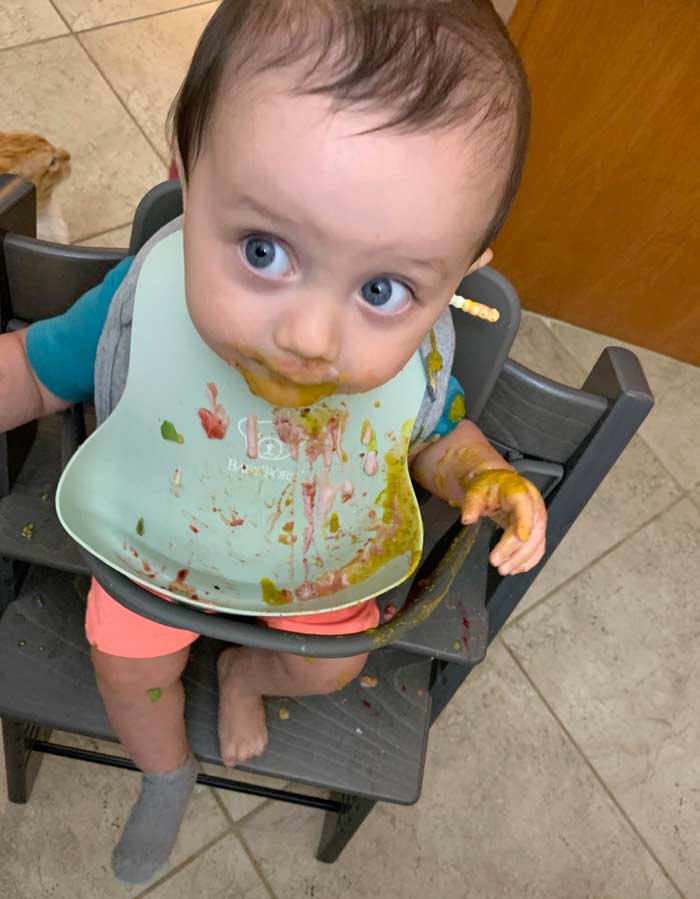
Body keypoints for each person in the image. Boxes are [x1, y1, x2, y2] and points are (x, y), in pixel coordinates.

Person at [0, 0, 546, 884]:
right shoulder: (143, 304)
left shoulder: (414, 368)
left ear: (461, 274)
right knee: (126, 670)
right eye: (262, 249)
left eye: (382, 290)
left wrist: (482, 471)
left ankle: (253, 672)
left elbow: (433, 440)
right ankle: (166, 770)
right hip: (153, 538)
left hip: (317, 554)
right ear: (187, 174)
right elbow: (30, 369)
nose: (309, 337)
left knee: (331, 666)